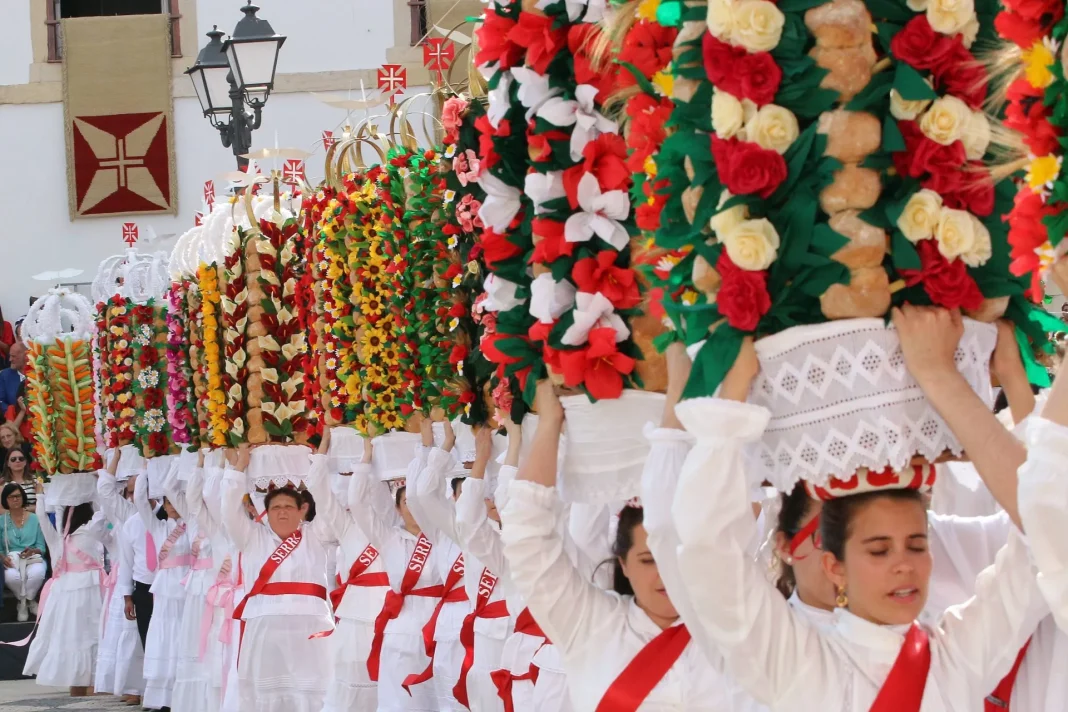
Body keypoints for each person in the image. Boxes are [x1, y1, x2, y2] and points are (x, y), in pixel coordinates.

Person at [666, 335, 1047, 710]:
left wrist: (975, 378)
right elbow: (708, 551)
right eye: (879, 550)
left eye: (917, 544)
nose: (905, 564)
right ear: (835, 566)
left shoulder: (957, 656)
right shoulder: (800, 665)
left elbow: (1044, 534)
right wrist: (731, 403)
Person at [499, 377, 729, 710]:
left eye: (675, 557)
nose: (666, 576)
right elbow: (526, 535)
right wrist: (550, 426)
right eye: (649, 560)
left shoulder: (735, 628)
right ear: (622, 562)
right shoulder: (590, 622)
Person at [222, 445, 335, 712]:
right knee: (266, 697)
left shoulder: (318, 534)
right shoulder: (251, 537)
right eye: (275, 508)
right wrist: (239, 468)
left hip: (312, 626)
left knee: (314, 695)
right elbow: (228, 509)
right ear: (267, 512)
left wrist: (318, 463)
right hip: (265, 626)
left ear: (302, 510)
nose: (282, 512)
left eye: (288, 507)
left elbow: (330, 505)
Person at [349, 437, 445, 711]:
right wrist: (365, 460)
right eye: (405, 503)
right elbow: (357, 503)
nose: (412, 509)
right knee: (401, 702)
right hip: (402, 630)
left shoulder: (445, 536)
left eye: (416, 502)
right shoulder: (389, 538)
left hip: (441, 628)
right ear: (398, 508)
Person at [306, 429, 390, 712]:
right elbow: (318, 488)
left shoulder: (396, 526)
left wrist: (373, 453)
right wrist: (323, 449)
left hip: (391, 614)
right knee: (352, 683)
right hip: (355, 616)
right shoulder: (345, 525)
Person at [405, 418, 473, 711]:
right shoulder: (445, 531)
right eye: (463, 494)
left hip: (489, 627)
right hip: (448, 629)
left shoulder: (502, 529)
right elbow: (417, 495)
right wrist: (433, 448)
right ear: (453, 498)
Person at [23, 484, 108, 696]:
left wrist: (42, 494)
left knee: (72, 638)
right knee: (95, 635)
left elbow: (44, 517)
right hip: (93, 590)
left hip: (67, 594)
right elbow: (103, 509)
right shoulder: (94, 531)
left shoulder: (59, 538)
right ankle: (95, 684)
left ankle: (77, 686)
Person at [135, 460, 192, 712]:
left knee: (182, 634)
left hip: (186, 586)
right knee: (163, 635)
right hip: (165, 587)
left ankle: (183, 694)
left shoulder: (192, 526)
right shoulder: (158, 528)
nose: (170, 506)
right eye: (166, 502)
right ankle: (161, 697)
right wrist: (147, 469)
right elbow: (139, 499)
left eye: (174, 501)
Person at [96, 453, 146, 706]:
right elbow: (105, 490)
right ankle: (134, 687)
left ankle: (152, 687)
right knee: (130, 635)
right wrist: (115, 456)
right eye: (132, 486)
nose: (136, 489)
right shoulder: (128, 513)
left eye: (141, 485)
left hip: (161, 581)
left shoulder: (164, 513)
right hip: (133, 581)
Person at [0, 482, 46, 621]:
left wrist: (32, 551)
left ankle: (26, 601)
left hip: (33, 557)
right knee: (11, 577)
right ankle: (25, 601)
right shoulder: (1, 521)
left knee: (37, 574)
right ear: (5, 500)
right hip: (11, 558)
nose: (15, 499)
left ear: (23, 498)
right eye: (11, 497)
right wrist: (2, 558)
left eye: (18, 496)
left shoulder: (35, 518)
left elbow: (41, 547)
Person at [3, 446, 36, 511]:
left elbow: (42, 505)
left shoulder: (35, 480)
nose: (17, 461)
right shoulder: (3, 484)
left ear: (25, 462)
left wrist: (24, 510)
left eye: (21, 459)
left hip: (34, 518)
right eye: (13, 459)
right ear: (8, 464)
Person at [0, 343, 25, 417]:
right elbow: (1, 401)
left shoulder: (37, 374)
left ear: (25, 356)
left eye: (13, 356)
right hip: (11, 421)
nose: (10, 359)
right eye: (10, 356)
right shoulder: (5, 375)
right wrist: (11, 414)